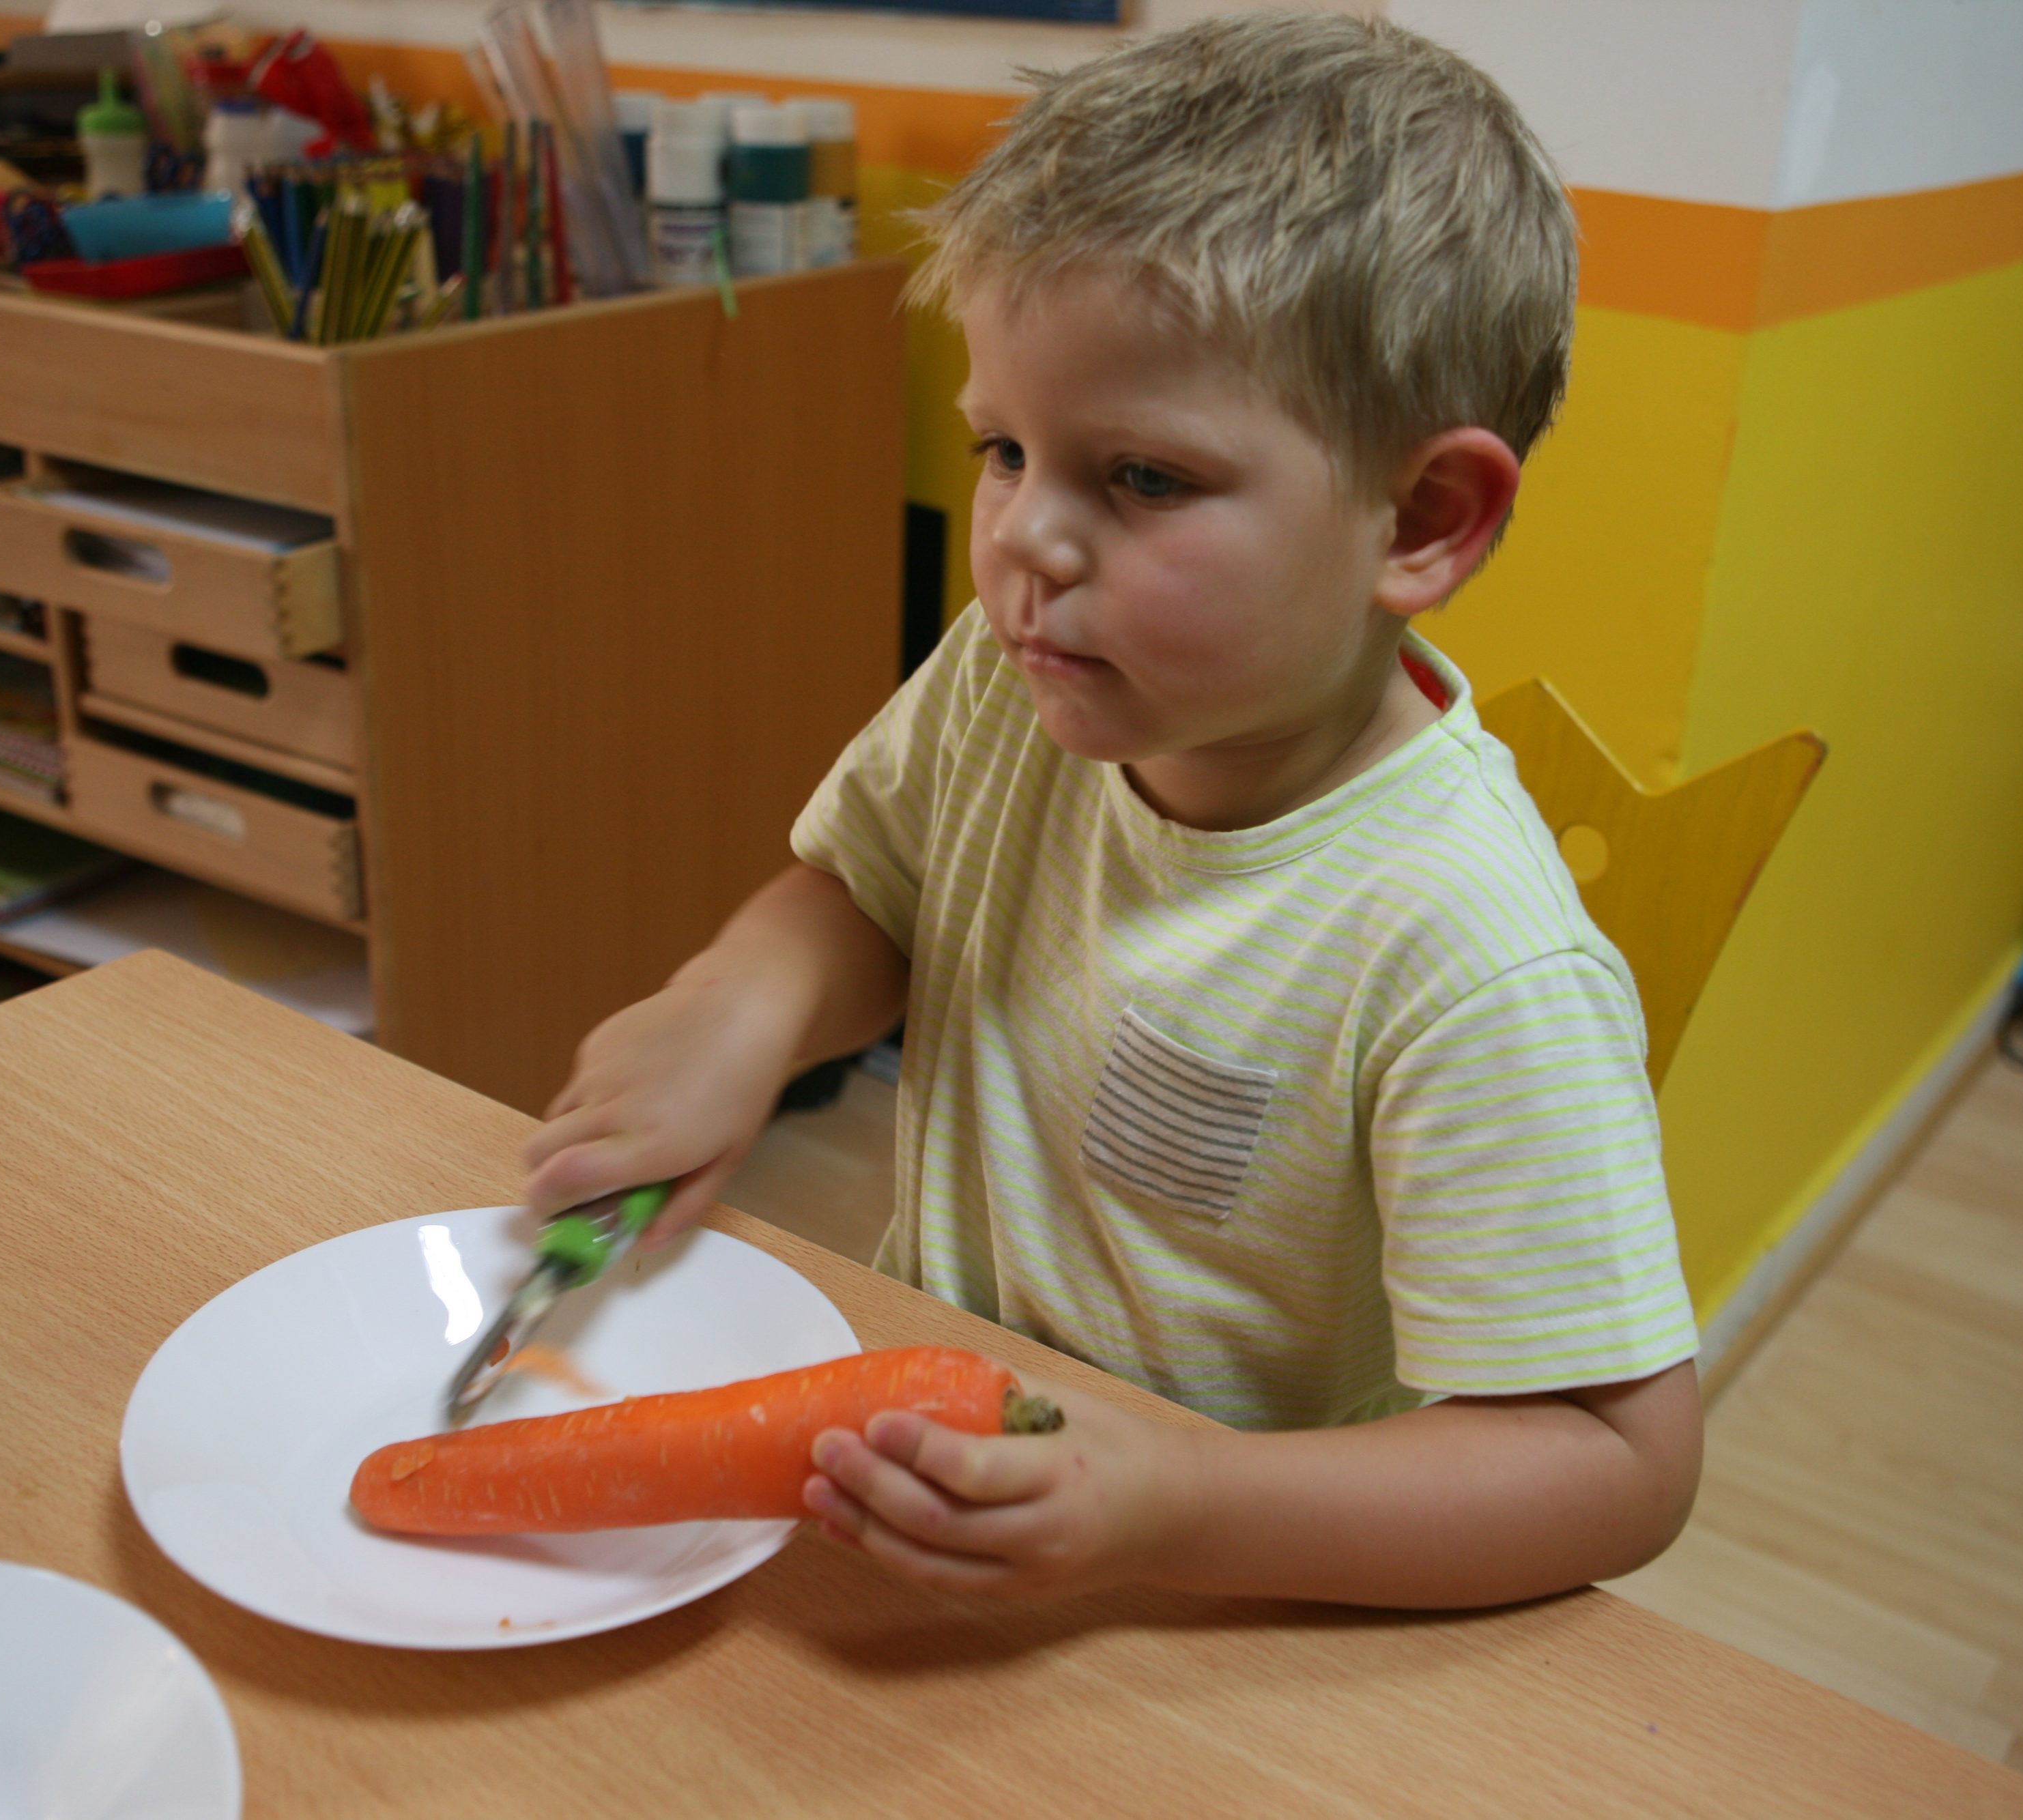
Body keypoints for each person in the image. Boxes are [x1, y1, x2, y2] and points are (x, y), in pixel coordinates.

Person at [519, 11, 1701, 1608]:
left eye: (1139, 477)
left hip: (1206, 1601)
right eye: (1003, 448)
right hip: (946, 1505)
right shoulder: (1014, 679)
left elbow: (1614, 1459)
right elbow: (870, 892)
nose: (1023, 538)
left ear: (1421, 518)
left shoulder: (1471, 953)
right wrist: (745, 997)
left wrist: (1174, 1504)